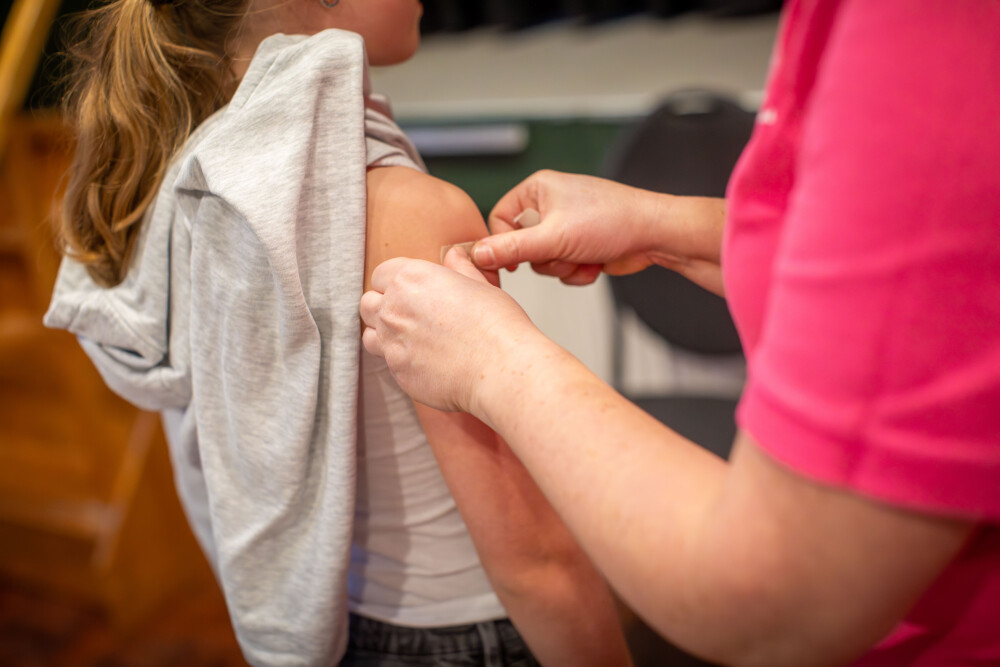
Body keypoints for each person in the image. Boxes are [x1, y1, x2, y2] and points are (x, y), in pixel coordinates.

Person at [360, 1, 1000, 665]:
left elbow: (773, 598)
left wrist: (494, 360)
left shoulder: (937, 30)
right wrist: (662, 225)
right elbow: (893, 263)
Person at [43, 0, 631, 665]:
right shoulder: (411, 213)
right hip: (468, 636)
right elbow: (538, 563)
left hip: (335, 626)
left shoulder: (182, 183)